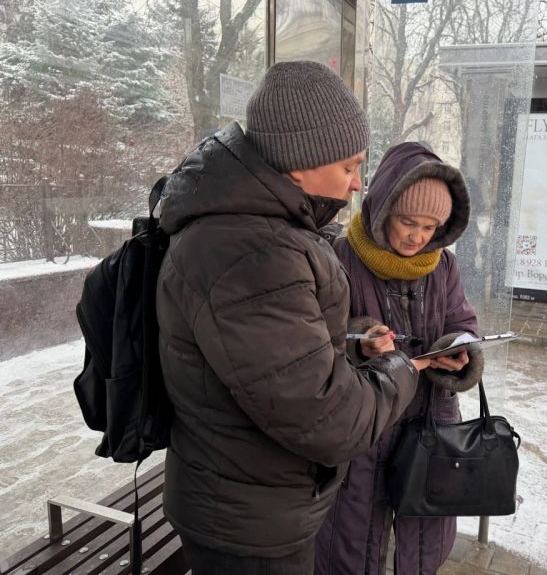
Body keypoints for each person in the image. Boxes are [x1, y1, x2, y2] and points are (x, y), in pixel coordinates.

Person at [155, 61, 429, 574]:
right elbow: (329, 419)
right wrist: (401, 371)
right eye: (349, 166)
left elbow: (269, 360)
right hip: (249, 525)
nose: (356, 185)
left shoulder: (257, 232)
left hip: (248, 501)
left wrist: (352, 343)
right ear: (301, 162)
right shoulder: (251, 251)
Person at [315, 142, 484, 575]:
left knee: (423, 537)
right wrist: (361, 341)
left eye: (430, 226)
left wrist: (460, 350)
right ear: (383, 209)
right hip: (366, 424)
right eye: (408, 221)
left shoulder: (443, 266)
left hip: (431, 422)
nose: (418, 236)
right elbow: (320, 336)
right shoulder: (341, 257)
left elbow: (463, 320)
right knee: (353, 539)